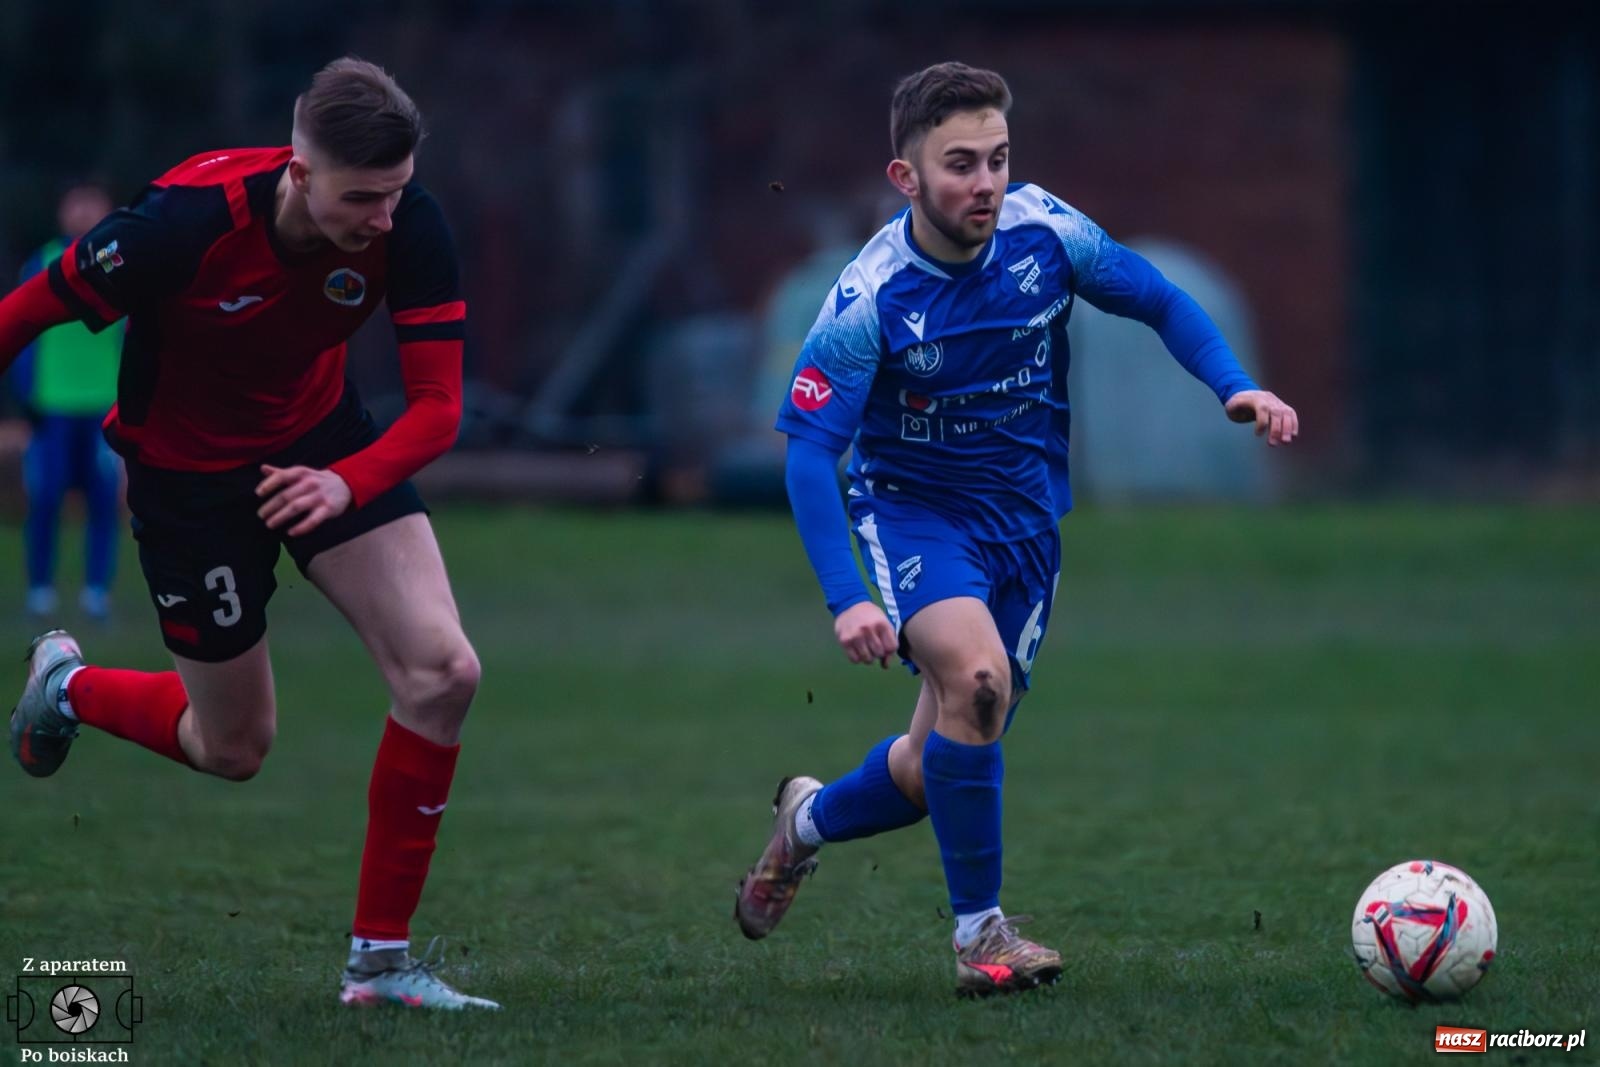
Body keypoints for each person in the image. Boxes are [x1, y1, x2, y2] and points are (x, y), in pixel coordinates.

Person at [734, 62, 1298, 996]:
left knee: (936, 764)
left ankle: (805, 822)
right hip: (916, 516)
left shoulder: (1048, 232)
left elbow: (1157, 297)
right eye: (960, 164)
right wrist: (847, 599)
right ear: (906, 177)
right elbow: (807, 454)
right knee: (979, 679)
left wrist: (1235, 385)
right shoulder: (870, 297)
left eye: (997, 159)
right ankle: (981, 938)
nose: (986, 183)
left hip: (1027, 527)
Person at [1, 58, 498, 1011]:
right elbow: (22, 314)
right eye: (363, 198)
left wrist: (345, 479)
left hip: (321, 447)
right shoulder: (178, 226)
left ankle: (379, 967)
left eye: (396, 192)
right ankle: (67, 685)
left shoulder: (409, 223)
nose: (384, 219)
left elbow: (439, 407)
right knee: (231, 746)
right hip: (186, 481)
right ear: (300, 173)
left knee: (444, 673)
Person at [8, 182, 123, 620]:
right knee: (45, 497)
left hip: (103, 405)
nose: (84, 212)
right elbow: (22, 328)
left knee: (103, 499)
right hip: (53, 405)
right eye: (77, 204)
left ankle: (97, 591)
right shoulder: (43, 263)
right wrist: (26, 397)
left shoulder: (118, 260)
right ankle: (40, 588)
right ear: (63, 211)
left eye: (93, 204)